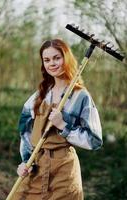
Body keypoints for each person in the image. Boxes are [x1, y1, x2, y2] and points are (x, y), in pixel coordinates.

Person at [13, 39, 103, 200]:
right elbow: (25, 131)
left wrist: (63, 125)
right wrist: (25, 161)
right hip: (36, 168)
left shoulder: (80, 96)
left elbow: (94, 140)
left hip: (63, 173)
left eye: (57, 58)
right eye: (47, 60)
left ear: (66, 58)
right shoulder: (40, 95)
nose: (52, 63)